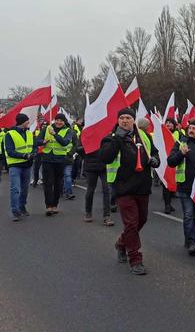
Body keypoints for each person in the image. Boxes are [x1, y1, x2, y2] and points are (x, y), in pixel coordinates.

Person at [99, 108, 159, 275]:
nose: (125, 120)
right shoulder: (111, 138)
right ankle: (135, 259)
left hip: (142, 186)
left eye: (128, 118)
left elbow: (154, 152)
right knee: (131, 223)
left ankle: (121, 243)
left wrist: (155, 160)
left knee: (142, 220)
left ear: (134, 120)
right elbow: (105, 158)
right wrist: (118, 139)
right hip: (123, 187)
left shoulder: (144, 136)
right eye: (122, 118)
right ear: (118, 120)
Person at [167, 118, 195, 256]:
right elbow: (170, 162)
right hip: (184, 186)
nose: (191, 130)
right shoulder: (181, 143)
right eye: (190, 127)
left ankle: (189, 238)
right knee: (188, 215)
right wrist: (180, 153)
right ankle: (191, 242)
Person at [38, 114, 75, 215]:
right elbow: (37, 141)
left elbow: (65, 143)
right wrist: (43, 141)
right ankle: (48, 206)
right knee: (48, 183)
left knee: (58, 183)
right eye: (57, 120)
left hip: (60, 160)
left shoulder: (68, 131)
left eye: (61, 121)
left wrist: (54, 134)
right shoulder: (46, 128)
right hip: (47, 159)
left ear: (64, 122)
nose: (58, 122)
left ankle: (55, 205)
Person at [4, 113, 38, 221]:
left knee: (25, 189)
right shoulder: (10, 134)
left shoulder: (29, 133)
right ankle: (15, 211)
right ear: (22, 122)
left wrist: (34, 153)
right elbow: (10, 151)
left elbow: (34, 146)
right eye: (27, 121)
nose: (28, 122)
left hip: (27, 165)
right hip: (15, 165)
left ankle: (22, 206)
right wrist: (24, 155)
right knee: (15, 189)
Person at [79, 139, 114, 226]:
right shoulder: (88, 133)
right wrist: (86, 155)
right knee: (91, 190)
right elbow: (79, 148)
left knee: (107, 190)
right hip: (91, 167)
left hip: (104, 167)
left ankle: (107, 216)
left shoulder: (106, 136)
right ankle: (88, 212)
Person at [161, 117, 178, 214]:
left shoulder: (179, 134)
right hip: (164, 162)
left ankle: (170, 202)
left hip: (175, 162)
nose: (168, 124)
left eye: (170, 123)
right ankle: (167, 205)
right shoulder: (162, 134)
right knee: (165, 184)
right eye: (166, 123)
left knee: (173, 184)